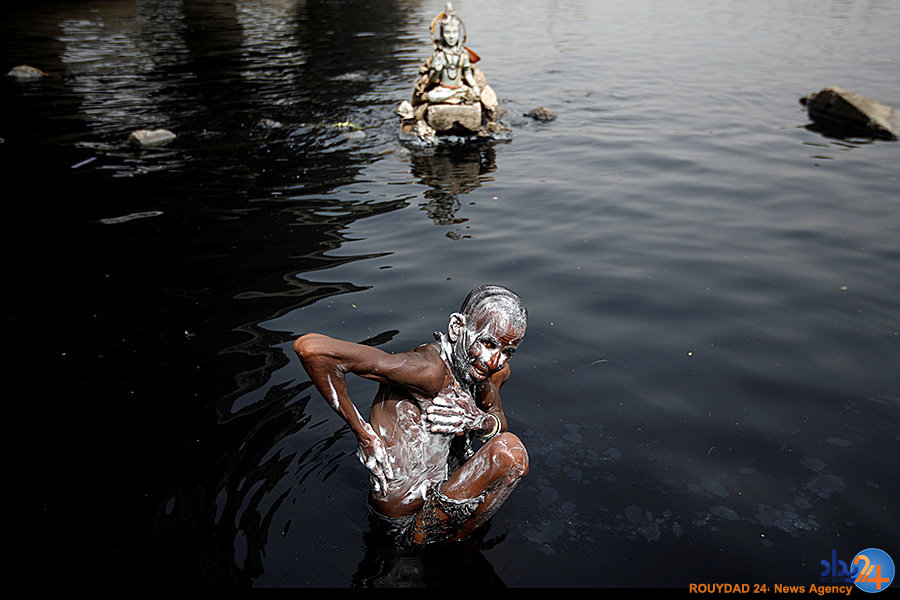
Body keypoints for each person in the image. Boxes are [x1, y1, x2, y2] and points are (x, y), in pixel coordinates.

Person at [293, 285, 529, 546]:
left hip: (441, 492)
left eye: (508, 352)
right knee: (511, 454)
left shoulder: (484, 372)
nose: (496, 360)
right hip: (402, 526)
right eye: (488, 343)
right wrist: (363, 434)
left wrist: (478, 420)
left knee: (497, 396)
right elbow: (312, 350)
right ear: (456, 328)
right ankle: (455, 547)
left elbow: (498, 420)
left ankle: (459, 544)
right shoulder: (427, 371)